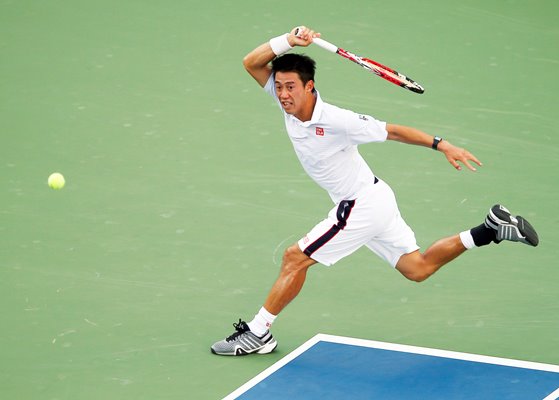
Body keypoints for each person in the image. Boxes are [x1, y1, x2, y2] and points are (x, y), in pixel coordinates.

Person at [211, 26, 538, 356]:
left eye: (290, 87)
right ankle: (490, 229)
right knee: (417, 268)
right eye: (279, 86)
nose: (282, 94)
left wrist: (442, 145)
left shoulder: (339, 121)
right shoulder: (289, 104)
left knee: (295, 259)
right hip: (376, 199)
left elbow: (393, 132)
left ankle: (258, 332)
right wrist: (288, 40)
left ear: (309, 87)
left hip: (359, 207)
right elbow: (252, 63)